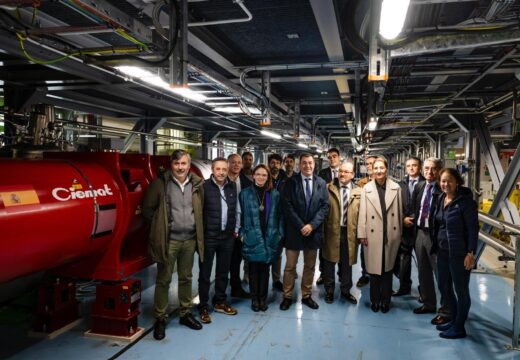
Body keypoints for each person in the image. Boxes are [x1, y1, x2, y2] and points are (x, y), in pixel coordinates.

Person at [142, 150, 204, 340]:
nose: (180, 167)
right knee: (164, 279)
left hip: (190, 239)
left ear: (189, 164)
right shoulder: (160, 185)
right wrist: (162, 227)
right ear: (171, 164)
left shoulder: (196, 184)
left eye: (183, 163)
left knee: (186, 277)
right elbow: (147, 210)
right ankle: (160, 317)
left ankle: (185, 313)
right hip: (170, 241)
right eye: (176, 163)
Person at [432, 168, 478, 339]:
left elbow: (473, 229)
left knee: (461, 290)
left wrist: (470, 253)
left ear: (457, 182)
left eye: (449, 180)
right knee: (444, 287)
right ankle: (454, 319)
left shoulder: (465, 202)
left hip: (459, 253)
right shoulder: (440, 198)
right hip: (442, 251)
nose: (445, 184)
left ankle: (459, 327)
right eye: (443, 181)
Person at [280, 153, 329, 311]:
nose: (307, 166)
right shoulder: (290, 182)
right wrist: (302, 225)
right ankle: (287, 296)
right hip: (295, 231)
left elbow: (324, 207)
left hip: (313, 232)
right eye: (304, 163)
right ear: (298, 165)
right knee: (290, 266)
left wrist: (311, 225)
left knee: (309, 266)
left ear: (314, 164)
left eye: (310, 163)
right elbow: (287, 206)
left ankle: (306, 295)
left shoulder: (321, 183)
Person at [198, 158, 240, 324]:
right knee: (205, 273)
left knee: (223, 272)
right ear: (212, 170)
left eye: (224, 169)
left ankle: (219, 301)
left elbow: (236, 210)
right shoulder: (204, 187)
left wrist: (235, 230)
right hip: (209, 237)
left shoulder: (232, 187)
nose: (221, 172)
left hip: (227, 237)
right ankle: (203, 306)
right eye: (218, 169)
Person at [358, 157, 403, 313]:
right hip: (372, 234)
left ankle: (386, 301)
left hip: (390, 232)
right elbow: (362, 212)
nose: (378, 171)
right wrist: (362, 233)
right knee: (374, 270)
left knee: (387, 270)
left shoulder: (396, 188)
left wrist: (399, 234)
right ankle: (375, 300)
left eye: (381, 168)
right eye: (375, 168)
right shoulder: (367, 188)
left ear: (386, 169)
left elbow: (399, 212)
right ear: (372, 170)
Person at [240, 164, 284, 312]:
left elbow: (280, 217)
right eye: (258, 174)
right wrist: (242, 234)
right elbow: (239, 216)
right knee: (253, 269)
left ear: (268, 177)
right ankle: (254, 299)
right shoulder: (245, 194)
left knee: (265, 269)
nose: (261, 177)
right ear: (253, 176)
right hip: (252, 236)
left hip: (269, 236)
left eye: (264, 175)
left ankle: (262, 299)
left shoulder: (274, 194)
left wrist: (279, 235)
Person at [322, 161, 361, 305]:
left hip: (349, 232)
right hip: (332, 230)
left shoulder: (358, 191)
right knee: (329, 262)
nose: (342, 174)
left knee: (346, 263)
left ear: (352, 174)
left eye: (346, 172)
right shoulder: (328, 189)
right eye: (341, 171)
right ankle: (329, 291)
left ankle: (345, 290)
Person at [394, 157, 425, 296]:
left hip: (421, 229)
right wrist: (402, 219)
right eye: (408, 166)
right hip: (405, 228)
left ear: (420, 167)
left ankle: (424, 291)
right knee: (404, 260)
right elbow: (395, 206)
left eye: (414, 165)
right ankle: (404, 287)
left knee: (423, 262)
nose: (411, 168)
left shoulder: (427, 183)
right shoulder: (400, 185)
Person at [227, 154, 252, 299]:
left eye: (238, 163)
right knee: (224, 262)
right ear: (228, 164)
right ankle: (221, 290)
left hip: (240, 228)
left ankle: (236, 288)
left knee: (237, 259)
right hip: (225, 229)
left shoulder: (247, 183)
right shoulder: (222, 182)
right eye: (233, 162)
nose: (236, 165)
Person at [316, 148, 341, 285]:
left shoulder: (344, 172)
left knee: (341, 247)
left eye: (334, 156)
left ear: (339, 157)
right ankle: (323, 273)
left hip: (340, 214)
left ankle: (341, 273)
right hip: (326, 214)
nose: (332, 159)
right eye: (330, 157)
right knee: (324, 247)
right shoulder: (322, 173)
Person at [356, 155, 377, 287]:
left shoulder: (388, 182)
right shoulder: (361, 183)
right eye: (367, 164)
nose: (369, 166)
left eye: (372, 163)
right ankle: (365, 274)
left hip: (380, 223)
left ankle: (378, 275)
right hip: (366, 222)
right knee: (364, 250)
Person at [268, 153, 288, 291]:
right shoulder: (264, 177)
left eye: (277, 163)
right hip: (265, 220)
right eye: (272, 162)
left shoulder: (286, 180)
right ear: (269, 163)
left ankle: (276, 279)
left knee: (277, 252)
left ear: (281, 165)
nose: (275, 165)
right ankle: (260, 278)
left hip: (280, 220)